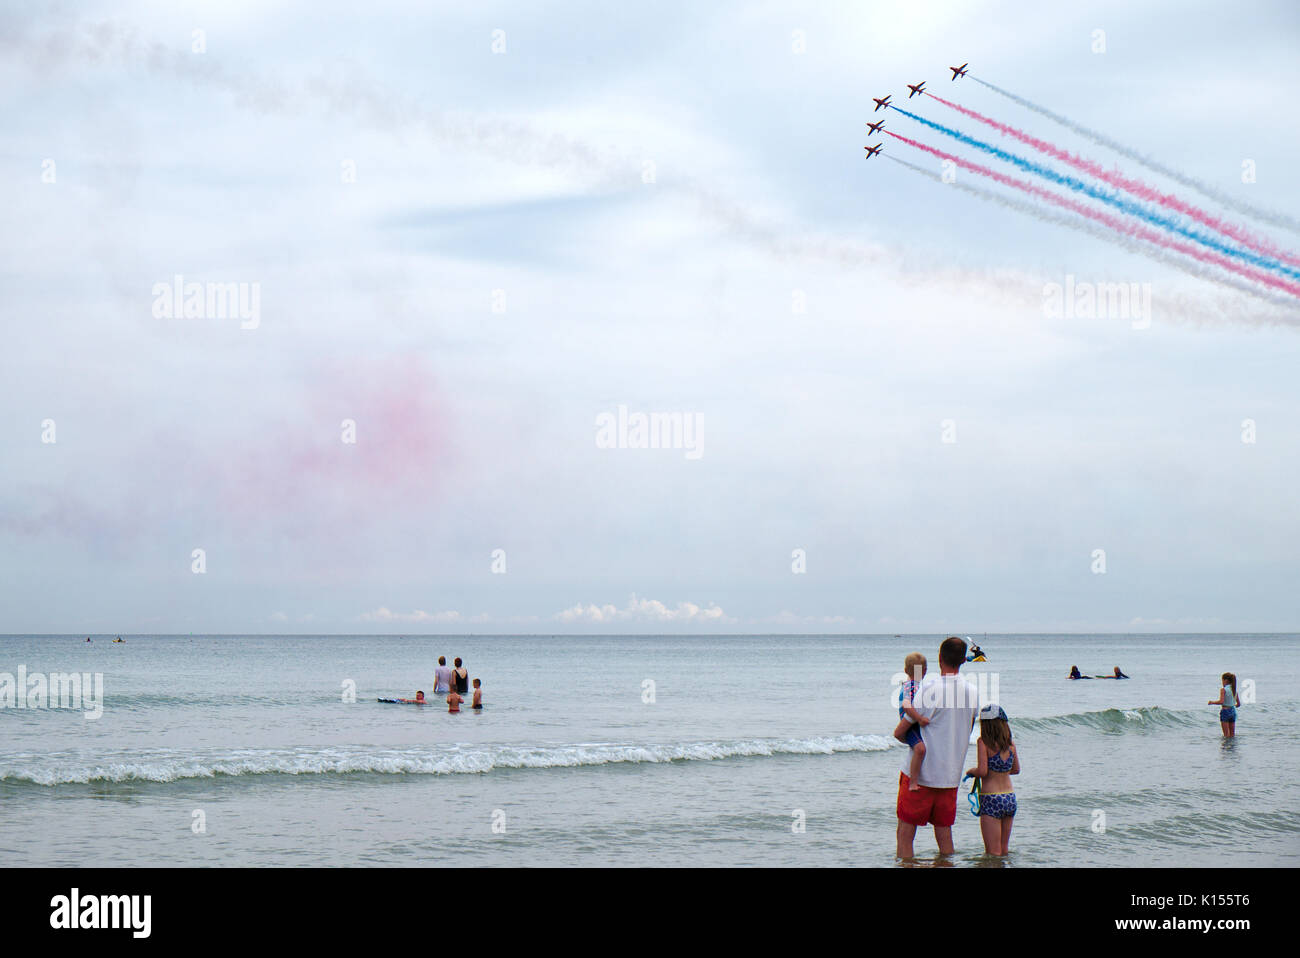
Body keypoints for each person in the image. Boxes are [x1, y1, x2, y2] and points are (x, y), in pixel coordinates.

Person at [896, 636, 979, 859]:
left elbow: (901, 729)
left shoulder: (930, 688)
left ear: (940, 658)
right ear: (963, 660)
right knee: (944, 835)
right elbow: (968, 730)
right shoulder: (973, 691)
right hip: (950, 776)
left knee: (905, 834)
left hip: (921, 777)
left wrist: (907, 739)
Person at [967, 705, 1019, 856]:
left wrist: (971, 772)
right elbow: (1016, 770)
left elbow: (982, 771)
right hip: (1009, 797)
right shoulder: (1011, 744)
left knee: (992, 853)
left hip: (991, 799)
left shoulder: (983, 742)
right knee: (1003, 850)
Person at [892, 652, 930, 791]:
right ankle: (913, 782)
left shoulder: (917, 685)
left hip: (913, 724)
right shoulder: (910, 685)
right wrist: (919, 718)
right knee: (920, 749)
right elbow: (907, 705)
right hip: (910, 726)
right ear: (925, 671)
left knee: (920, 748)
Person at [1209, 672, 1239, 738]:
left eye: (1222, 680)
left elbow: (1221, 701)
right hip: (1233, 711)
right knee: (1232, 735)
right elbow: (1238, 704)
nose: (1222, 682)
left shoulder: (1223, 690)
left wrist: (1212, 702)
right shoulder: (1234, 690)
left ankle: (1225, 748)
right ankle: (1232, 748)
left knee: (1226, 735)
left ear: (1225, 680)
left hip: (1225, 711)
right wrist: (1231, 705)